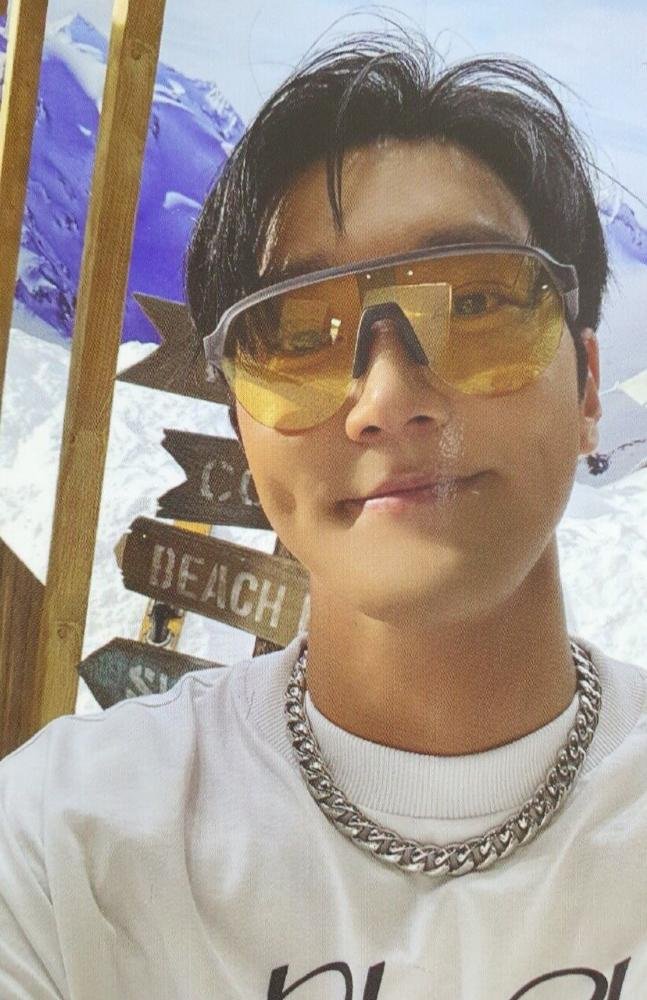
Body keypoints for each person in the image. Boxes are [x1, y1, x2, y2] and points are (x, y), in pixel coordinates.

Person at [1, 28, 646, 1000]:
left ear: (586, 381)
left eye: (474, 304)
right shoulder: (65, 847)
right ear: (241, 424)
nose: (385, 398)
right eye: (298, 337)